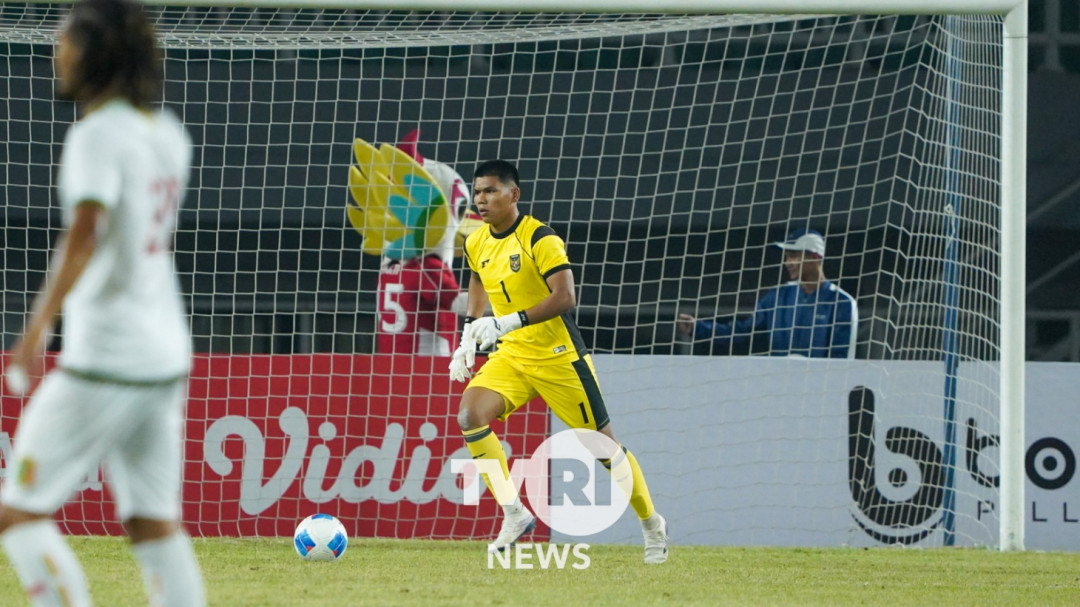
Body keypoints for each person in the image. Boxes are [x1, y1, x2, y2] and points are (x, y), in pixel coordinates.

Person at [0, 1, 206, 605]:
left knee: (18, 513)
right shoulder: (166, 132)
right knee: (150, 521)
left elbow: (85, 232)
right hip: (164, 353)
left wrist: (35, 331)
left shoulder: (96, 135)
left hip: (106, 356)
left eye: (64, 41)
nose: (55, 52)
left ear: (97, 52)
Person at [448, 160, 669, 564]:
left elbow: (566, 297)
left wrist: (507, 321)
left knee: (604, 448)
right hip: (512, 354)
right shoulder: (476, 241)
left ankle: (652, 523)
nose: (481, 199)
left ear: (513, 195)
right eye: (478, 191)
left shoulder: (540, 237)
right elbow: (478, 278)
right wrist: (468, 334)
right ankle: (514, 514)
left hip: (559, 358)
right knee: (469, 416)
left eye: (491, 191)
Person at [677, 228, 858, 359]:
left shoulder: (841, 302)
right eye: (787, 257)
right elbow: (744, 332)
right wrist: (699, 328)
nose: (788, 263)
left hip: (821, 393)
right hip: (780, 388)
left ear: (815, 257)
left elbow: (841, 358)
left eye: (794, 256)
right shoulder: (777, 297)